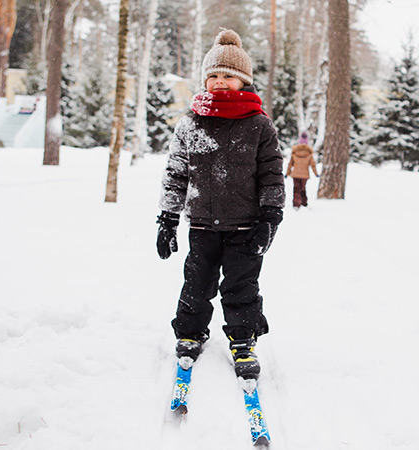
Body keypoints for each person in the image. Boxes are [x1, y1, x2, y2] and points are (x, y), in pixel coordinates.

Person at [155, 29, 285, 382]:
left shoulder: (260, 127)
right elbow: (176, 175)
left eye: (227, 75)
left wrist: (270, 218)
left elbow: (272, 176)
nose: (219, 82)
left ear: (243, 80)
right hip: (201, 225)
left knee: (242, 287)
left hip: (246, 226)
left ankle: (243, 340)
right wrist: (167, 219)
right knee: (196, 285)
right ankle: (190, 333)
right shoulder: (190, 125)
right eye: (213, 75)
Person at [286, 131, 319, 208]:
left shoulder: (294, 153)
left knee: (296, 189)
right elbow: (313, 165)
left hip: (295, 174)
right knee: (303, 189)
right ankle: (304, 203)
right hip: (305, 175)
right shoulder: (309, 154)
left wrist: (287, 173)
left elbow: (290, 164)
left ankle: (296, 203)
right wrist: (316, 174)